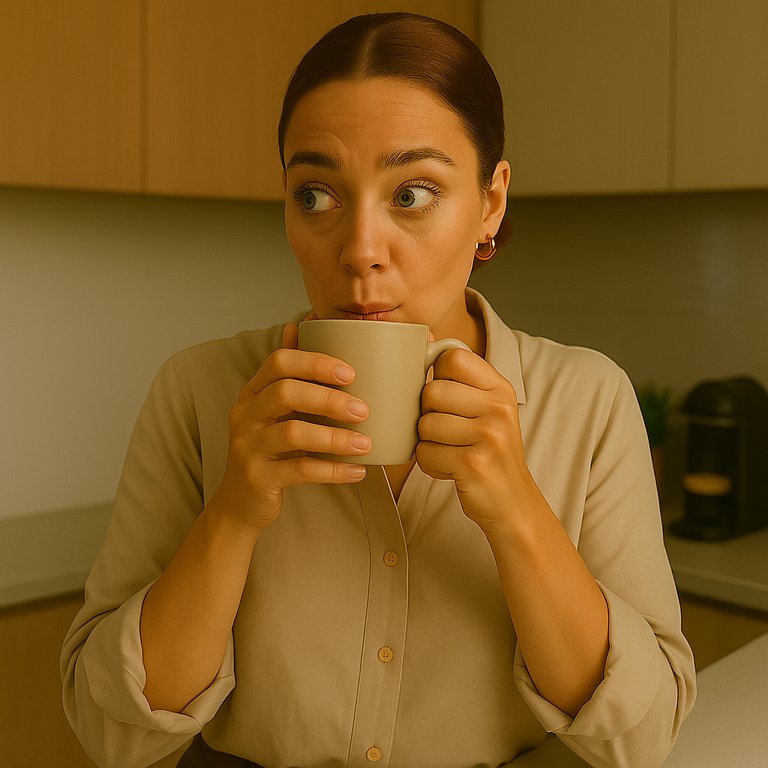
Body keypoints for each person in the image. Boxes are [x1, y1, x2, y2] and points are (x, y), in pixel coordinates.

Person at [61, 12, 696, 768]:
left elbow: (642, 738)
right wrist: (232, 514)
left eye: (412, 193)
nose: (360, 251)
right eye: (317, 196)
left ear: (491, 202)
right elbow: (111, 734)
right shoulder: (198, 392)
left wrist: (517, 509)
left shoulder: (587, 401)